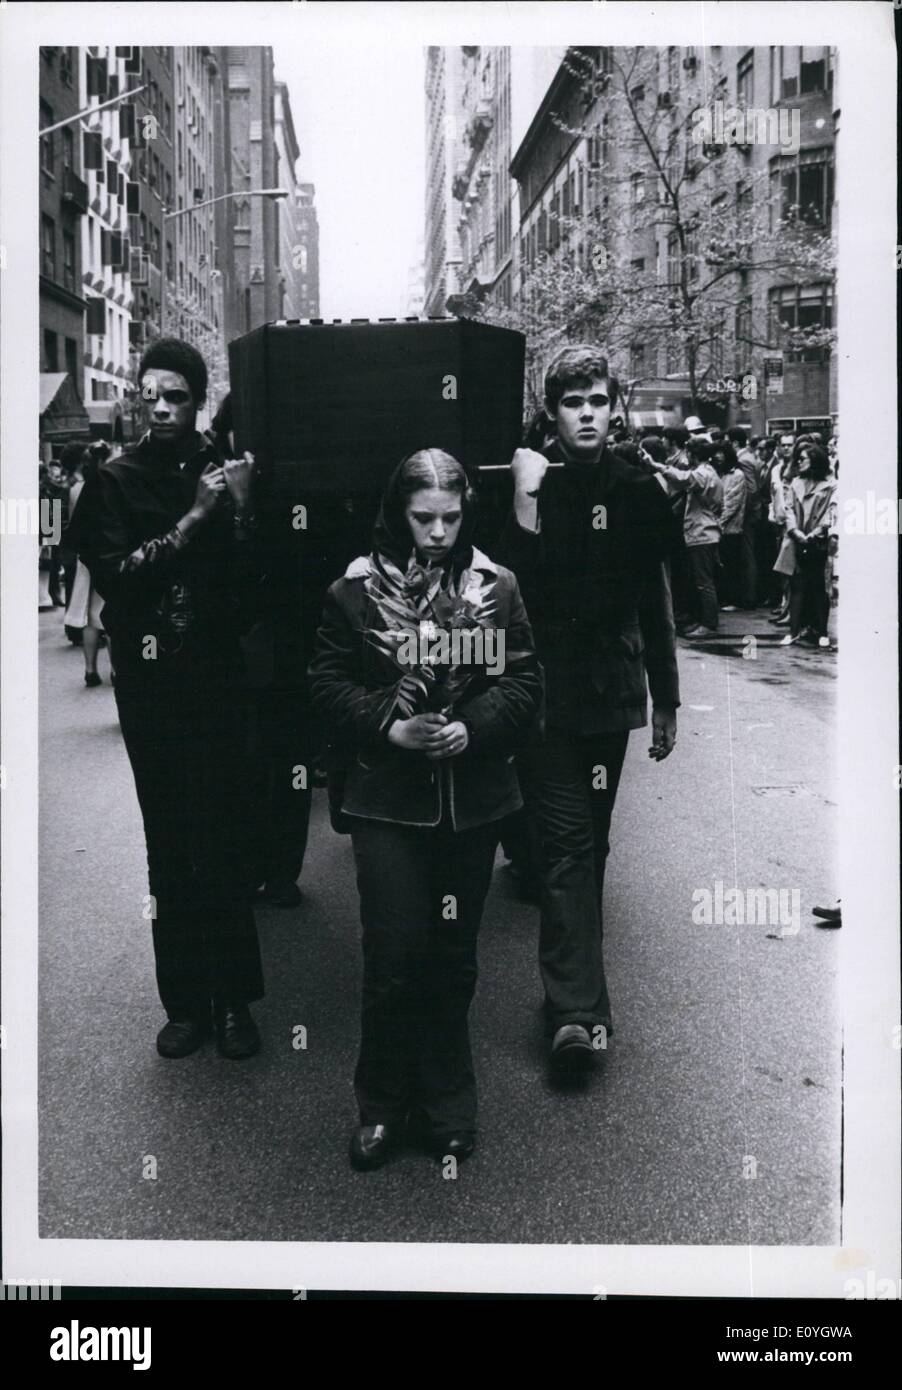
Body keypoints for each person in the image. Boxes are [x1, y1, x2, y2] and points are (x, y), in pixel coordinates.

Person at [309, 449, 542, 1169]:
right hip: (387, 805)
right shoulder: (354, 589)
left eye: (450, 518)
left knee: (452, 957)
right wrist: (389, 722)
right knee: (395, 956)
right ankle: (381, 1103)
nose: (438, 532)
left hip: (470, 805)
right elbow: (324, 680)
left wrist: (475, 728)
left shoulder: (497, 586)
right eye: (422, 519)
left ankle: (446, 1102)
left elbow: (525, 679)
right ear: (397, 511)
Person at [68, 338, 266, 1061]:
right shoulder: (113, 482)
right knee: (170, 844)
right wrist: (194, 519)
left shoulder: (224, 472)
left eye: (175, 395)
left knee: (222, 840)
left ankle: (236, 1001)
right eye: (148, 394)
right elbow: (120, 577)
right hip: (153, 690)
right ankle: (184, 1002)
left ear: (197, 400)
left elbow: (251, 593)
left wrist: (239, 514)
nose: (159, 407)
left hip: (214, 681)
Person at [496, 344, 679, 1075]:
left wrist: (666, 697)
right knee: (568, 848)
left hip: (607, 699)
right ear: (553, 411)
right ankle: (578, 1016)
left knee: (590, 847)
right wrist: (523, 499)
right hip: (543, 701)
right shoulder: (531, 480)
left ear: (615, 406)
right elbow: (509, 590)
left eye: (598, 401)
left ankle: (569, 991)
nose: (588, 414)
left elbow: (653, 600)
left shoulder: (639, 490)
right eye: (574, 403)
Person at [647, 437, 723, 636]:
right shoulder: (708, 472)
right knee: (702, 580)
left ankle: (709, 624)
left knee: (704, 581)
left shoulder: (703, 473)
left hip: (702, 532)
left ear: (693, 454)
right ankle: (705, 621)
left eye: (688, 452)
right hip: (705, 531)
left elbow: (682, 478)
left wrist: (656, 465)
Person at [776, 444, 837, 648]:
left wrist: (815, 533)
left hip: (818, 542)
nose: (799, 462)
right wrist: (795, 531)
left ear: (815, 460)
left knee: (819, 586)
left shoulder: (831, 485)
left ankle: (821, 631)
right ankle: (794, 631)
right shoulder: (795, 483)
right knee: (797, 585)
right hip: (797, 539)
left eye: (803, 458)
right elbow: (788, 509)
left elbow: (832, 513)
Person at [63, 450, 114, 686]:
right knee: (112, 611)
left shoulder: (74, 488)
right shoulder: (115, 484)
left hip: (83, 552)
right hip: (110, 552)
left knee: (89, 613)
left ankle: (90, 669)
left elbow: (71, 522)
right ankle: (116, 670)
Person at [712, 440, 747, 612]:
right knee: (721, 566)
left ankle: (735, 599)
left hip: (731, 528)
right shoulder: (717, 473)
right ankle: (724, 598)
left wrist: (718, 523)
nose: (718, 456)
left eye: (721, 453)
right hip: (716, 527)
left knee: (732, 565)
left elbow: (731, 504)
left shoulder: (737, 475)